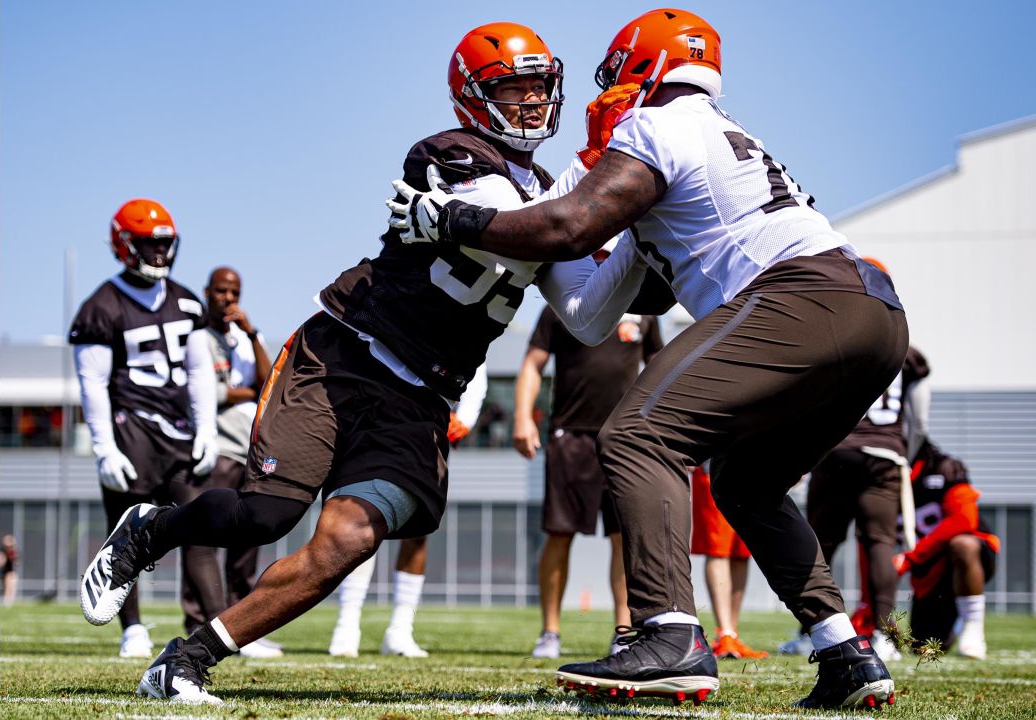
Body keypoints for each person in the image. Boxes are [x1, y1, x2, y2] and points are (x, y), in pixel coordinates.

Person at [79, 23, 650, 705]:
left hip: (421, 397)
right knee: (264, 516)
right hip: (346, 355)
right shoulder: (453, 155)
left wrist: (640, 238)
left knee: (348, 540)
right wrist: (606, 184)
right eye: (512, 87)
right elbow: (535, 231)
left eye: (539, 86)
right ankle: (151, 528)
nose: (531, 102)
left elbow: (586, 315)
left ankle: (184, 662)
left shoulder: (554, 199)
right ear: (474, 97)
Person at [390, 8, 908, 709]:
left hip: (803, 295)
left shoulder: (658, 122)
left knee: (637, 434)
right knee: (745, 483)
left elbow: (569, 227)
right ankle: (845, 651)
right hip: (870, 313)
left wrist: (452, 220)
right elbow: (593, 313)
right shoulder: (719, 133)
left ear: (639, 66)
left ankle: (670, 634)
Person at [71, 198, 217, 659]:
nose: (158, 253)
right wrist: (103, 448)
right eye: (147, 244)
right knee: (126, 534)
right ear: (123, 244)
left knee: (200, 524)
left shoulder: (187, 300)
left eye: (164, 244)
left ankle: (217, 622)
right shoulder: (101, 306)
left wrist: (207, 429)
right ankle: (131, 626)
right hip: (129, 429)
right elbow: (91, 383)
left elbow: (199, 373)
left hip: (177, 431)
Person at [515, 289, 662, 658]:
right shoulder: (562, 304)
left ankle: (624, 632)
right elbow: (533, 364)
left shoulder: (644, 306)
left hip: (626, 439)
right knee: (559, 534)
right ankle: (549, 633)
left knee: (623, 538)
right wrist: (521, 417)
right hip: (570, 437)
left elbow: (660, 367)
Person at [779, 334, 930, 662]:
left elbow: (808, 402)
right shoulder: (905, 352)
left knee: (820, 546)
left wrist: (803, 454)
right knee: (880, 544)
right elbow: (920, 419)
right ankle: (885, 636)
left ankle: (812, 632)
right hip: (883, 455)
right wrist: (901, 453)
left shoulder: (838, 339)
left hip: (836, 452)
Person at [328, 367, 487, 659]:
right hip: (379, 419)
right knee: (363, 518)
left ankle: (400, 629)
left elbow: (478, 362)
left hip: (429, 427)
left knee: (418, 527)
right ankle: (347, 623)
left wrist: (466, 417)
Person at [191, 266, 282, 658]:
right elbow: (208, 393)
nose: (228, 299)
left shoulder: (246, 338)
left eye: (235, 292)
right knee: (205, 536)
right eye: (221, 291)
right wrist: (241, 393)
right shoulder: (197, 338)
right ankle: (198, 623)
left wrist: (251, 333)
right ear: (207, 292)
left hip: (249, 446)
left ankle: (243, 625)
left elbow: (268, 383)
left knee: (247, 536)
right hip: (218, 446)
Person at [895, 440, 999, 659]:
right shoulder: (876, 478)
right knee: (924, 648)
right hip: (928, 572)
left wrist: (912, 557)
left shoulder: (943, 468)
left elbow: (964, 520)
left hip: (963, 559)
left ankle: (972, 628)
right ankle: (956, 622)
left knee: (963, 544)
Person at [689, 463, 768, 660]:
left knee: (742, 552)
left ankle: (731, 633)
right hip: (714, 465)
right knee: (718, 550)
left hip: (753, 469)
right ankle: (724, 633)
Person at [0, 535, 18, 606]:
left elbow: (17, 561)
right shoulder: (2, 551)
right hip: (4, 573)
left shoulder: (13, 551)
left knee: (13, 581)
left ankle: (11, 599)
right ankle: (7, 599)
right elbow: (2, 562)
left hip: (11, 572)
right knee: (8, 580)